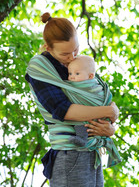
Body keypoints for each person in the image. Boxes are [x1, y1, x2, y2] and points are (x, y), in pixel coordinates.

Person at [25, 12, 120, 187]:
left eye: (76, 49)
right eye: (65, 54)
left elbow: (96, 97)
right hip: (70, 155)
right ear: (48, 48)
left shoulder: (78, 64)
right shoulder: (40, 67)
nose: (72, 57)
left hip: (92, 153)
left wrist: (109, 128)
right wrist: (109, 111)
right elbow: (62, 110)